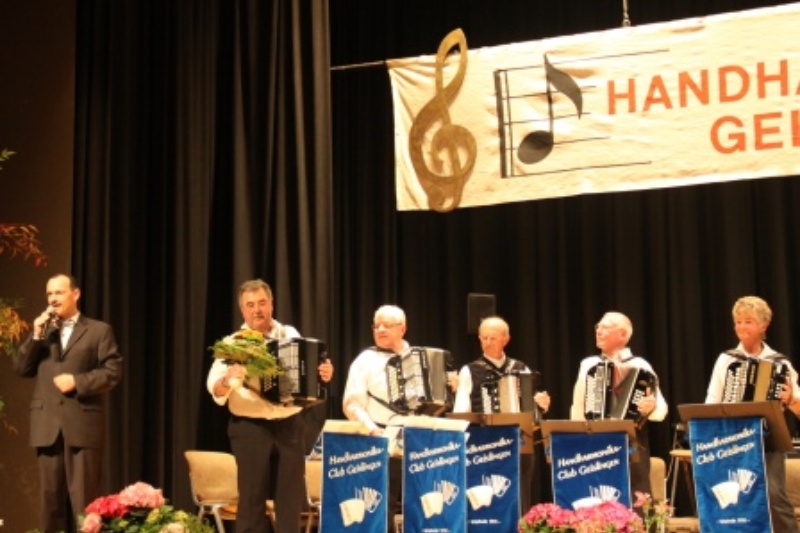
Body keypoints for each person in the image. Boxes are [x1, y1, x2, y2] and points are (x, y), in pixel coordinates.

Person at [206, 279, 333, 533]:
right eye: (250, 305)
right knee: (251, 502)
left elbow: (311, 371)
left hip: (290, 425)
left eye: (262, 303)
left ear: (272, 304)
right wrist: (228, 379)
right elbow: (214, 387)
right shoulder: (233, 343)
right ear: (242, 310)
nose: (257, 310)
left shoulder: (290, 334)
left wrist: (324, 373)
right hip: (250, 428)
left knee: (290, 501)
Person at [13, 274, 123, 533]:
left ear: (76, 294)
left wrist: (77, 381)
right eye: (49, 294)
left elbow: (112, 372)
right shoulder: (44, 333)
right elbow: (21, 368)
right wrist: (36, 334)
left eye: (59, 293)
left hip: (82, 426)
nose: (53, 299)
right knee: (50, 504)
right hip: (47, 426)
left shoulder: (98, 331)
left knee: (85, 504)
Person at [705, 296, 800, 533]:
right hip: (732, 437)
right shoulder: (726, 359)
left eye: (748, 321)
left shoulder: (780, 363)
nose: (741, 327)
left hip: (769, 440)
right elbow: (712, 400)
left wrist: (790, 399)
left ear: (763, 326)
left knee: (773, 495)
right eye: (738, 322)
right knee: (734, 497)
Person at [452, 315, 551, 511]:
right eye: (484, 338)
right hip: (484, 444)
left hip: (519, 441)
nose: (487, 342)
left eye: (493, 338)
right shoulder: (470, 370)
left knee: (520, 494)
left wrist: (542, 404)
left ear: (506, 339)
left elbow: (531, 411)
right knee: (489, 497)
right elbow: (461, 412)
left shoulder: (521, 368)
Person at [570, 311, 667, 497]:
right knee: (595, 496)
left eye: (605, 327)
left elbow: (661, 410)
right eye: (597, 327)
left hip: (631, 444)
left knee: (634, 497)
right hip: (595, 441)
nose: (598, 331)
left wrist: (651, 407)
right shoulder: (588, 364)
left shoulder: (640, 365)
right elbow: (578, 407)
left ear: (623, 335)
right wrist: (578, 439)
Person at [342, 304, 418, 532]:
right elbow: (351, 403)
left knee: (419, 504)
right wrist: (372, 430)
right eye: (377, 326)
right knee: (381, 506)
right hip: (379, 438)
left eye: (387, 325)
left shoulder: (418, 359)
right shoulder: (365, 360)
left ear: (402, 328)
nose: (381, 330)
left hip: (415, 439)